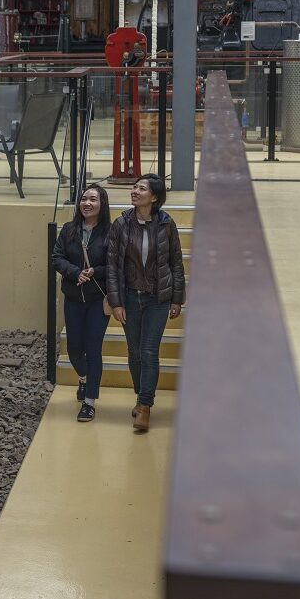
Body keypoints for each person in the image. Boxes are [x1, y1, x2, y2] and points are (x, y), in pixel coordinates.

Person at [106, 174, 185, 433]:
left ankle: (145, 407)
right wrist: (116, 302)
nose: (135, 191)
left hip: (157, 299)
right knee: (134, 353)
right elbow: (113, 267)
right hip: (130, 297)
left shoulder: (166, 224)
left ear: (154, 197)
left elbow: (175, 262)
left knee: (149, 351)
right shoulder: (121, 224)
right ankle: (142, 395)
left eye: (141, 188)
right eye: (135, 187)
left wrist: (176, 297)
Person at [51, 184, 112, 422]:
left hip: (98, 300)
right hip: (74, 298)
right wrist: (75, 272)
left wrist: (94, 271)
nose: (87, 203)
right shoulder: (69, 229)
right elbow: (57, 257)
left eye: (93, 199)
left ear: (102, 204)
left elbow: (116, 265)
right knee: (75, 349)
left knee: (93, 348)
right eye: (84, 199)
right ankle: (85, 379)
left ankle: (89, 402)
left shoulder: (111, 232)